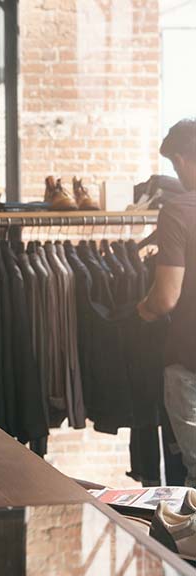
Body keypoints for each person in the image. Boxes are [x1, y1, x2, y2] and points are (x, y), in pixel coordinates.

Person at [138, 118, 196, 487]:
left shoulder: (178, 211)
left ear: (184, 159)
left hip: (190, 365)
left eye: (175, 165)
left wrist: (139, 311)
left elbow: (165, 298)